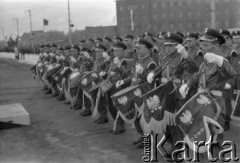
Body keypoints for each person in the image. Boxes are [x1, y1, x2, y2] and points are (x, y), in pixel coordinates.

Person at [179, 28, 236, 161]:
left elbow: (232, 73)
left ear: (215, 45)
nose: (202, 47)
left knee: (213, 142)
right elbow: (197, 76)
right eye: (202, 44)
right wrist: (187, 85)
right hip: (201, 104)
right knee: (200, 139)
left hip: (214, 105)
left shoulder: (219, 61)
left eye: (205, 44)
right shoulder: (205, 62)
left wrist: (219, 60)